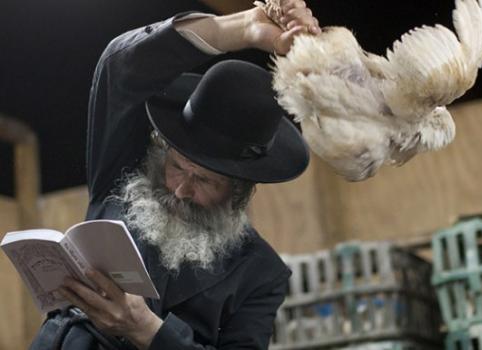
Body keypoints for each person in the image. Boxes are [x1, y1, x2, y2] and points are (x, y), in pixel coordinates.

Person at [48, 1, 321, 349]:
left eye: (205, 180)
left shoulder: (261, 275)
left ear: (239, 192)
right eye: (177, 166)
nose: (180, 190)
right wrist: (241, 29)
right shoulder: (122, 175)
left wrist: (147, 330)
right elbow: (120, 68)